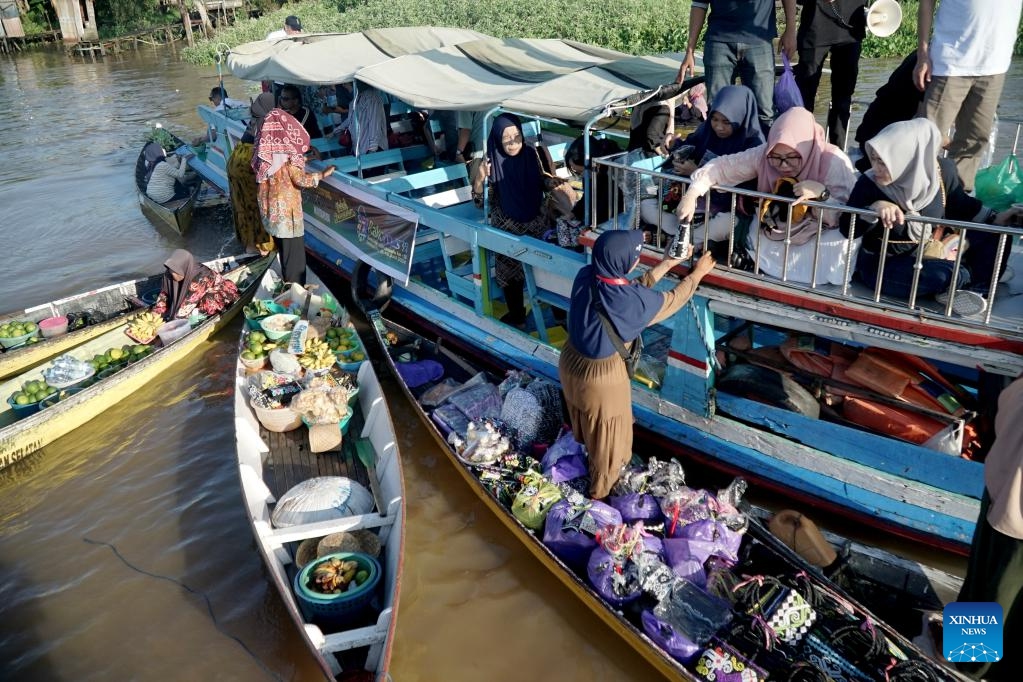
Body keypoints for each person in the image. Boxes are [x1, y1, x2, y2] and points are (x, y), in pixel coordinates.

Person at [559, 230, 715, 498]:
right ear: (626, 262)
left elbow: (630, 290)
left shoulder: (586, 275)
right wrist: (697, 274)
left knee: (590, 426)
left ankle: (586, 462)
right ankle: (598, 502)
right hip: (600, 379)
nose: (637, 260)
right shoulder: (633, 304)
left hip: (570, 360)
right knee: (611, 446)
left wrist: (667, 263)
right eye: (636, 256)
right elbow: (673, 299)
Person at [839, 118, 1023, 315]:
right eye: (873, 159)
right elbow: (847, 229)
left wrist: (1000, 217)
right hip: (885, 265)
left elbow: (963, 208)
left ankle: (976, 290)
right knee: (947, 274)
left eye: (882, 162)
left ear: (909, 157)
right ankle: (966, 280)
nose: (875, 168)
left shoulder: (941, 172)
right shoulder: (869, 183)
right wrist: (873, 209)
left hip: (931, 251)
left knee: (995, 235)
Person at [677, 107, 857, 285]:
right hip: (777, 225)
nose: (783, 165)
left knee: (839, 243)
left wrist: (821, 195)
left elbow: (849, 215)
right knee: (752, 226)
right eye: (776, 157)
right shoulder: (763, 154)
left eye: (792, 157)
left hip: (820, 228)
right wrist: (692, 194)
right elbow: (722, 167)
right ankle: (758, 261)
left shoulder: (833, 161)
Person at [955, 374, 1023, 681]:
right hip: (1009, 501)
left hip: (1007, 502)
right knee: (1002, 593)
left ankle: (969, 663)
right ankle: (980, 665)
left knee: (985, 585)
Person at [914, 0, 1023, 191]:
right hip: (951, 62)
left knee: (974, 140)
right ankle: (911, 200)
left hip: (995, 64)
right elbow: (926, 3)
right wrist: (923, 55)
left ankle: (956, 200)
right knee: (927, 137)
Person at [645, 85, 766, 240]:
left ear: (741, 116)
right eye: (714, 119)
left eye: (726, 122)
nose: (719, 127)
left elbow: (744, 195)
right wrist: (673, 144)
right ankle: (681, 236)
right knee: (645, 205)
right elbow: (690, 145)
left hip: (722, 209)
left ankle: (682, 238)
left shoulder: (754, 145)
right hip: (688, 200)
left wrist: (696, 172)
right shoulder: (706, 129)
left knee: (727, 223)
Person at [472, 113, 555, 326]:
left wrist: (553, 185)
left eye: (516, 135)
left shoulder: (531, 154)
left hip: (537, 219)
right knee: (508, 267)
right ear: (497, 138)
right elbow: (481, 204)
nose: (512, 142)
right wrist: (480, 178)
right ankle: (517, 315)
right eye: (506, 137)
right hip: (508, 225)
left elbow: (543, 183)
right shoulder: (489, 162)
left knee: (549, 260)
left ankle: (560, 314)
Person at [678, 0, 798, 134]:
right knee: (718, 110)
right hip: (719, 42)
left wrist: (791, 30)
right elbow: (699, 5)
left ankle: (763, 153)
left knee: (765, 112)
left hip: (759, 41)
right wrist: (690, 51)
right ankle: (720, 154)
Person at [253, 108, 336, 285]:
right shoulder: (288, 150)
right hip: (287, 215)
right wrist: (322, 174)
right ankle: (295, 291)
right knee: (295, 259)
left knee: (285, 253)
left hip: (272, 212)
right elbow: (299, 178)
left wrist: (304, 160)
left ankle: (287, 285)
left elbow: (279, 166)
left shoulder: (264, 145)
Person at [793, 0, 867, 148]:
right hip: (814, 29)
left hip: (852, 32)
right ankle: (801, 151)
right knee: (804, 98)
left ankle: (837, 154)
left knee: (843, 98)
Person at [852, 52, 923, 173]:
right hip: (879, 141)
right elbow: (925, 122)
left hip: (871, 133)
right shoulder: (926, 65)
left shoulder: (919, 56)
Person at [226, 92, 275, 256]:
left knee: (242, 204)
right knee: (257, 204)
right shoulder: (266, 119)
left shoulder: (256, 116)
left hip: (237, 159)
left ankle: (250, 246)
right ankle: (261, 247)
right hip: (248, 162)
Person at [151, 249, 240, 322]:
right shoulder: (169, 273)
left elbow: (187, 306)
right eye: (172, 270)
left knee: (207, 303)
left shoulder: (202, 276)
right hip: (191, 298)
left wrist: (171, 323)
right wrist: (156, 312)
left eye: (176, 271)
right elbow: (164, 295)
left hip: (217, 294)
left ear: (184, 267)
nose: (173, 274)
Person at [334, 83, 389, 157]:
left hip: (371, 149)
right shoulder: (357, 99)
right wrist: (336, 130)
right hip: (361, 148)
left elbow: (374, 122)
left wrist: (372, 148)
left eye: (346, 84)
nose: (344, 86)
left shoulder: (371, 97)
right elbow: (351, 119)